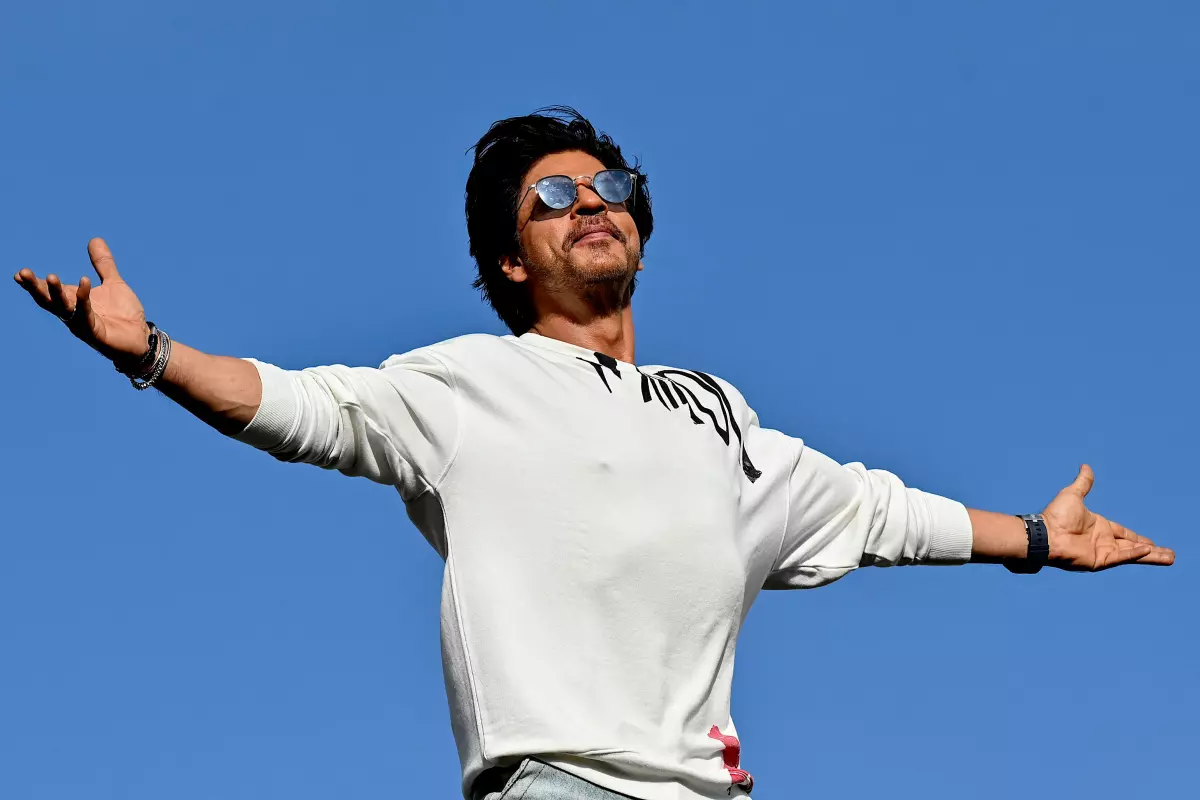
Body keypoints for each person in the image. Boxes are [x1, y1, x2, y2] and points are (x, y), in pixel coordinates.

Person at [13, 107, 1175, 800]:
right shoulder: (466, 385)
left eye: (608, 188)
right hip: (561, 784)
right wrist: (154, 352)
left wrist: (1037, 535)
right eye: (554, 196)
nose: (592, 203)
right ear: (511, 259)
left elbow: (873, 510)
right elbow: (303, 407)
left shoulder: (718, 413)